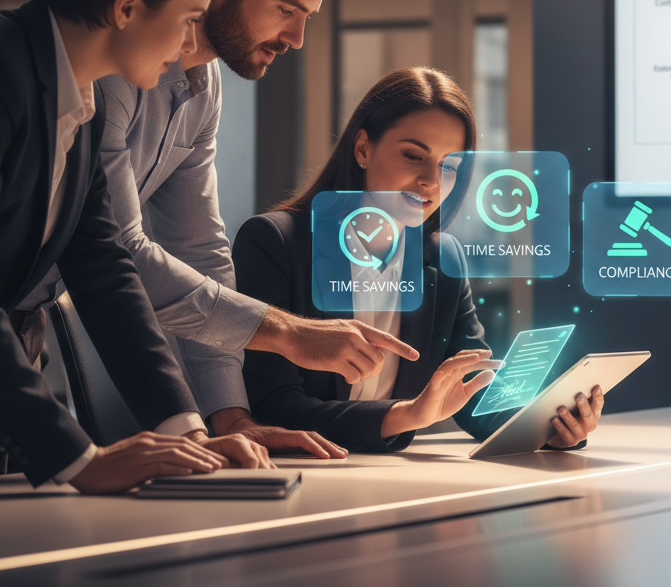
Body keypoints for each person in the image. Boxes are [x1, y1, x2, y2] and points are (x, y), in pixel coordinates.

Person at [19, 0, 417, 459]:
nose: (298, 38)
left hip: (17, 326)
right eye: (286, 8)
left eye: (307, 14)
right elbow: (118, 249)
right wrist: (285, 332)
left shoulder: (203, 86)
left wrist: (230, 416)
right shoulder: (114, 69)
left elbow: (197, 248)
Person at [0, 0, 269, 492]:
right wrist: (84, 459)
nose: (191, 46)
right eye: (188, 19)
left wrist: (188, 433)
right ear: (128, 6)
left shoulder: (84, 99)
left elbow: (102, 265)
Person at [234, 67, 606, 453]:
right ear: (363, 149)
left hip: (384, 481)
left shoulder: (444, 258)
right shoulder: (275, 242)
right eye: (414, 155)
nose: (431, 180)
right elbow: (270, 410)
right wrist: (406, 415)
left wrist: (553, 425)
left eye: (450, 166)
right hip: (296, 477)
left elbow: (473, 393)